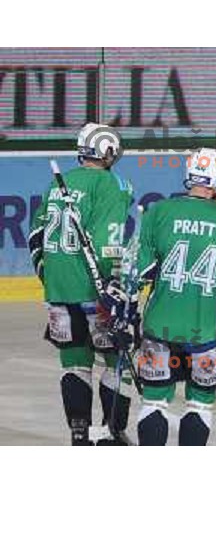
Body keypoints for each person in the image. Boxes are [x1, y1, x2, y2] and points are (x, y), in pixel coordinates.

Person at [132, 148, 216, 446]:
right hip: (206, 331)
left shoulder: (158, 211)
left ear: (189, 175)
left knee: (154, 402)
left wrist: (127, 313)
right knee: (200, 404)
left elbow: (137, 271)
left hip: (158, 325)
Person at [29, 123, 134, 445]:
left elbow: (36, 237)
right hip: (96, 290)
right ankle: (110, 432)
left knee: (75, 364)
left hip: (59, 290)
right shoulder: (114, 184)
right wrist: (114, 286)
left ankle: (80, 432)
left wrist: (51, 278)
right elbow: (108, 242)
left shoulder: (58, 184)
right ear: (108, 152)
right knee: (120, 362)